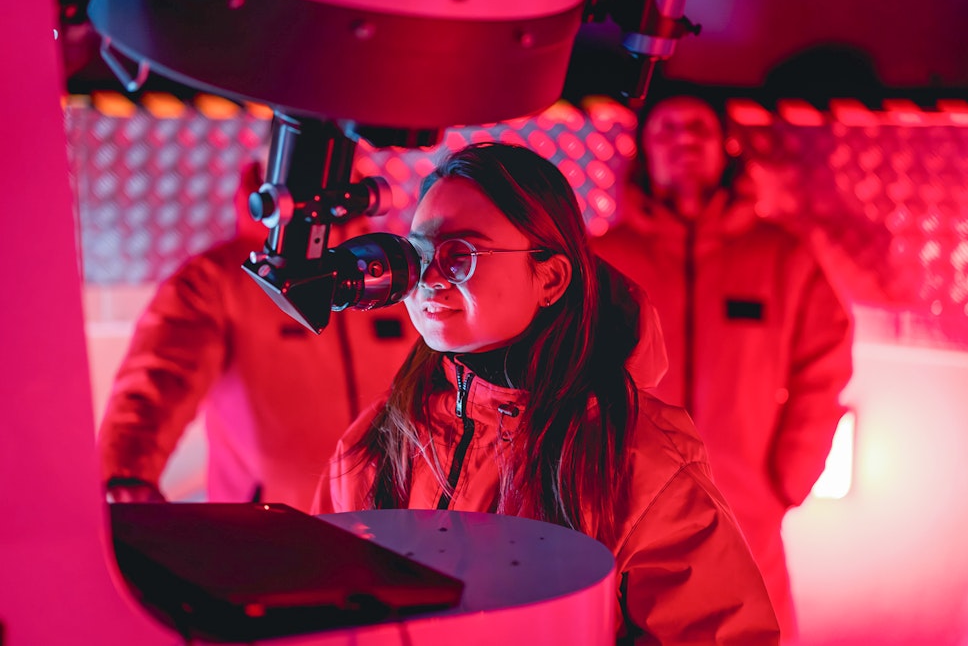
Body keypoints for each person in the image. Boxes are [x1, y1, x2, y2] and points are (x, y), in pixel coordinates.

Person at [312, 142, 781, 645]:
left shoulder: (640, 462)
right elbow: (318, 606)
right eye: (419, 254)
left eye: (460, 256)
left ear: (551, 278)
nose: (429, 280)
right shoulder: (382, 435)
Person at [591, 93, 854, 641]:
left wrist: (788, 480)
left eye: (697, 128)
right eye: (666, 129)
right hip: (621, 506)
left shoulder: (783, 258)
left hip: (746, 509)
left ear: (724, 148)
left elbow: (824, 367)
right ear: (643, 150)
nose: (683, 140)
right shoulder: (605, 261)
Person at [98, 162, 418, 511]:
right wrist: (125, 477)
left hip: (389, 530)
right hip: (266, 540)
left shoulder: (394, 273)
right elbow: (156, 380)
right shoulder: (216, 281)